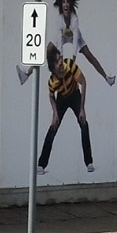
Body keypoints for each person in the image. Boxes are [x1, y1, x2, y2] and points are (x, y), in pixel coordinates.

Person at [18, 0, 115, 87]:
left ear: (70, 4)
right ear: (61, 5)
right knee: (47, 49)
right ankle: (27, 74)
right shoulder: (59, 19)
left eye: (67, 2)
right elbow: (59, 39)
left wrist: (73, 58)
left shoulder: (74, 18)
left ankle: (107, 78)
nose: (66, 5)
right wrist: (61, 57)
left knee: (89, 55)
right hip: (63, 37)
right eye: (63, 2)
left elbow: (76, 37)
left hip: (74, 37)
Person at [37, 42, 94, 174]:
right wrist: (55, 113)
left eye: (61, 59)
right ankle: (41, 164)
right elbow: (51, 97)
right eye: (58, 62)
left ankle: (89, 161)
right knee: (53, 126)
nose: (61, 64)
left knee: (84, 124)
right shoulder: (52, 81)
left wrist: (82, 108)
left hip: (75, 95)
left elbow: (83, 82)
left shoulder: (70, 66)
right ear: (53, 68)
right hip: (61, 99)